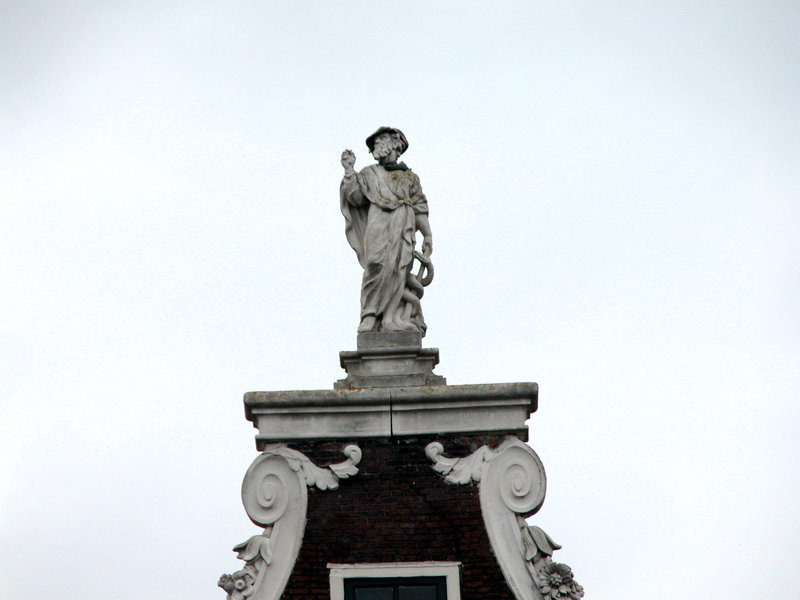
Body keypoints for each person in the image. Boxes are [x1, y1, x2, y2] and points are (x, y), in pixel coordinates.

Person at [340, 126, 433, 336]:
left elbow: (419, 207)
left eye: (381, 139)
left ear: (395, 143)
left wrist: (427, 234)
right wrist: (349, 172)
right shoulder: (369, 174)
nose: (376, 144)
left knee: (399, 269)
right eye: (375, 141)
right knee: (375, 265)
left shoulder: (410, 178)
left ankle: (393, 317)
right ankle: (370, 316)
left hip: (403, 226)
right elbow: (355, 197)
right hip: (378, 224)